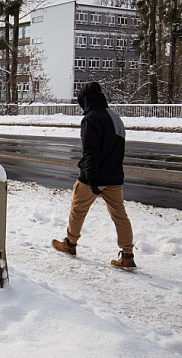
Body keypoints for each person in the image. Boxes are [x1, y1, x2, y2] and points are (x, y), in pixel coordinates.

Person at [52, 81, 136, 269]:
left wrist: (92, 179)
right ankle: (127, 255)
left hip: (94, 177)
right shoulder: (115, 117)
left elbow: (90, 152)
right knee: (120, 215)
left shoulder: (90, 118)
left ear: (85, 101)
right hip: (115, 177)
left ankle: (70, 244)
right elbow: (118, 150)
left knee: (78, 209)